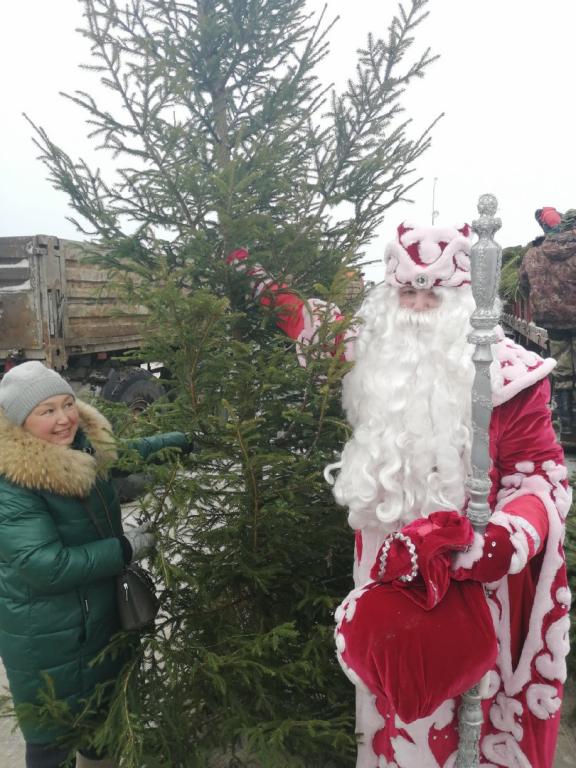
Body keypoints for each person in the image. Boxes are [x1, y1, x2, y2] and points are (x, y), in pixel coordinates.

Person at [227, 221, 571, 768]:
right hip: (383, 572)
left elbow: (541, 477)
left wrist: (505, 538)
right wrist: (251, 275)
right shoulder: (373, 349)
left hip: (469, 581)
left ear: (463, 299)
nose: (416, 307)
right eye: (406, 292)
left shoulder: (511, 376)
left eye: (432, 294)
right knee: (391, 711)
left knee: (463, 724)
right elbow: (305, 320)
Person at [0, 361, 188, 768]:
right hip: (49, 638)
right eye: (47, 410)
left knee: (102, 724)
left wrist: (180, 441)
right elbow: (44, 566)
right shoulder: (12, 483)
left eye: (68, 404)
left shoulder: (83, 447)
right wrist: (123, 549)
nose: (64, 418)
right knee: (53, 741)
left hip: (96, 621)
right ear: (19, 421)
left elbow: (126, 454)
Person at [519, 216, 576, 447]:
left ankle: (568, 430)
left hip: (552, 320)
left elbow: (523, 285)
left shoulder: (533, 253)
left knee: (562, 372)